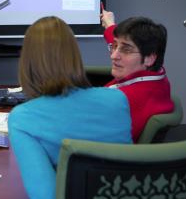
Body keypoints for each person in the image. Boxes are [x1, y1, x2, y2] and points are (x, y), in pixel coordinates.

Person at [8, 16, 132, 199]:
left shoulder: (22, 118)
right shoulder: (118, 99)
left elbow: (45, 195)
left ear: (27, 62)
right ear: (74, 54)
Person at [101, 10, 173, 142]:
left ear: (149, 58)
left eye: (126, 49)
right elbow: (122, 42)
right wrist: (110, 24)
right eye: (115, 46)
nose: (113, 56)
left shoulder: (123, 102)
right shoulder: (157, 74)